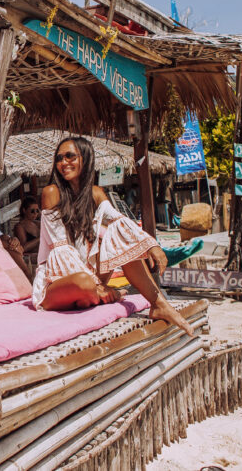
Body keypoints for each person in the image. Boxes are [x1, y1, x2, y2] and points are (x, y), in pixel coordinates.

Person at [35, 137, 194, 336]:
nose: (63, 163)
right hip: (59, 283)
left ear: (85, 159)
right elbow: (61, 251)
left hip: (90, 277)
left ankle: (158, 303)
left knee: (122, 243)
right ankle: (101, 294)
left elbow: (119, 221)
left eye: (70, 156)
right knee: (84, 283)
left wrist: (151, 245)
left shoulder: (94, 193)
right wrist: (95, 284)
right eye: (59, 158)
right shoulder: (52, 192)